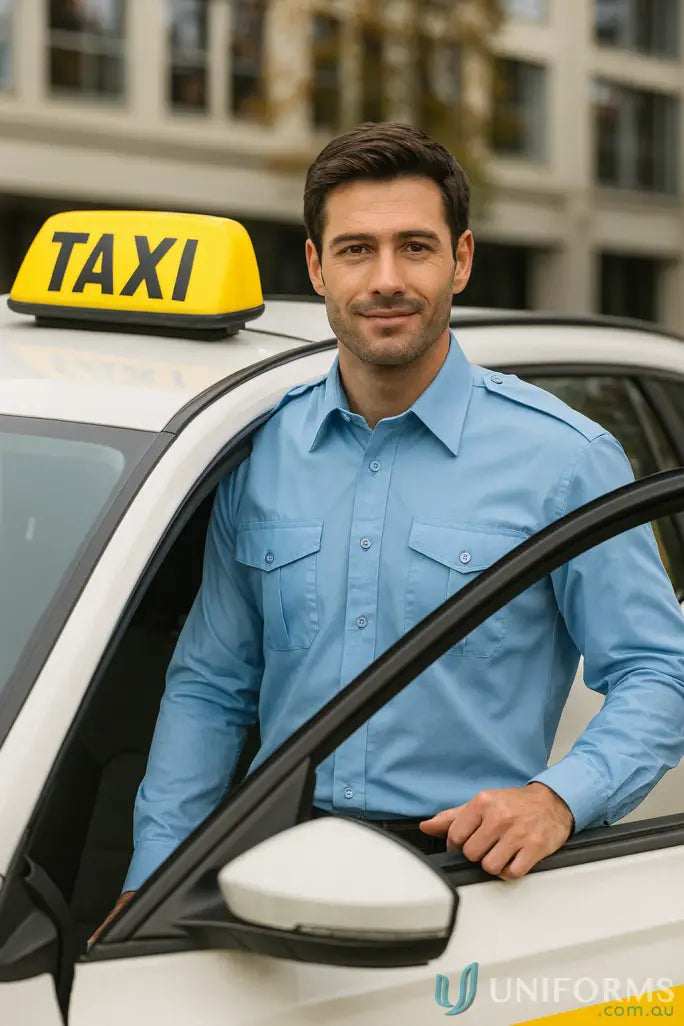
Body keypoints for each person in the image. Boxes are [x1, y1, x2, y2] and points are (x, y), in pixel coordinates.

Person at [91, 121, 684, 941]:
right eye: (357, 249)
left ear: (461, 259)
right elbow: (210, 688)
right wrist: (152, 881)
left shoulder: (565, 458)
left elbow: (659, 668)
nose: (387, 279)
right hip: (271, 872)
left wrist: (559, 799)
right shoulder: (259, 449)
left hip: (472, 890)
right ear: (316, 267)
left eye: (415, 246)